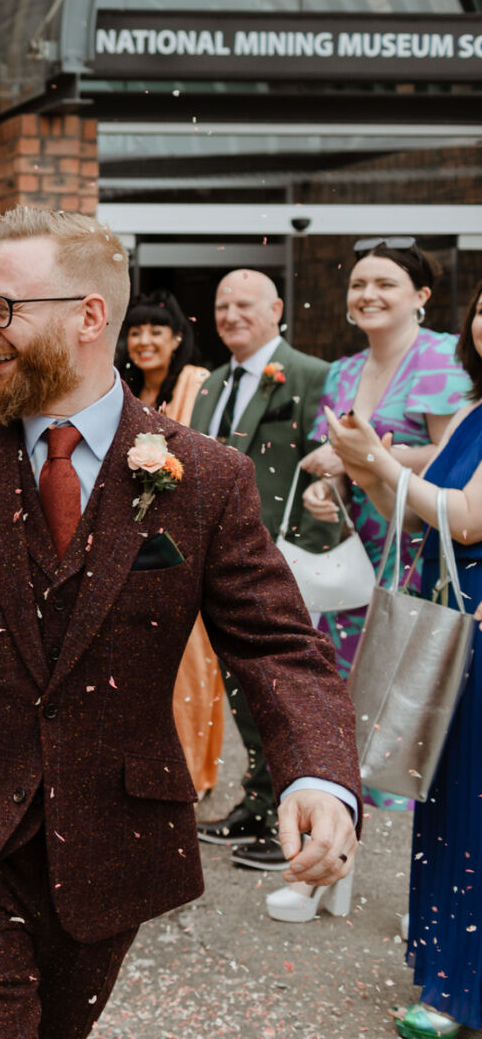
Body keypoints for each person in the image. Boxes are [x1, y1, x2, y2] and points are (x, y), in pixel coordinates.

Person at [0, 206, 361, 1039]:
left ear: (88, 315)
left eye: (3, 308)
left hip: (112, 836)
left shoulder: (204, 476)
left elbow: (279, 642)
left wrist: (318, 774)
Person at [323, 275, 482, 1037]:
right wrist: (360, 468)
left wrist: (385, 467)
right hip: (454, 627)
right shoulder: (478, 412)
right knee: (447, 800)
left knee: (476, 808)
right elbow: (413, 506)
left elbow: (469, 518)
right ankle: (446, 971)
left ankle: (459, 993)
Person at [302, 239, 469, 812]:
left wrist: (365, 458)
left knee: (409, 702)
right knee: (347, 699)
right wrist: (329, 486)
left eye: (385, 284)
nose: (367, 295)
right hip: (358, 557)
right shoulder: (342, 372)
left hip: (423, 550)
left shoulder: (443, 358)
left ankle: (415, 866)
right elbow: (340, 459)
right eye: (359, 285)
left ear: (421, 296)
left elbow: (453, 458)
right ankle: (333, 854)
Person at [187, 269, 343, 871]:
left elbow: (329, 467)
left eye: (244, 304)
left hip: (285, 556)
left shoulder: (310, 375)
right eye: (222, 305)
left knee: (282, 689)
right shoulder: (212, 384)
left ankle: (295, 815)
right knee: (240, 688)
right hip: (217, 561)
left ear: (276, 307)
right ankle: (256, 800)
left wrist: (312, 550)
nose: (231, 315)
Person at [116, 291, 222, 798]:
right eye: (136, 331)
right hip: (131, 541)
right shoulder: (123, 390)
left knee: (192, 659)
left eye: (157, 330)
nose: (144, 341)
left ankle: (192, 772)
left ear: (177, 337)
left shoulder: (197, 385)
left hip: (185, 541)